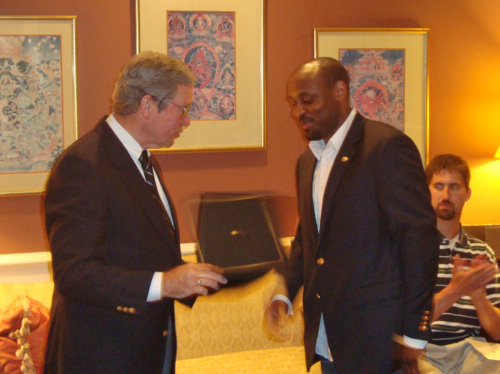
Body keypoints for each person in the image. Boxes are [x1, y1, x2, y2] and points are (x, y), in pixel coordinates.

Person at [42, 51, 227, 374]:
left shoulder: (144, 160)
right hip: (100, 355)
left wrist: (195, 275)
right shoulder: (83, 165)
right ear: (146, 106)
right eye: (182, 109)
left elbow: (142, 251)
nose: (187, 121)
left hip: (147, 348)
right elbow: (74, 273)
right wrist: (164, 284)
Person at [264, 57, 440, 374]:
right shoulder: (307, 162)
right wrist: (285, 293)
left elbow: (419, 243)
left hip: (380, 342)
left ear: (340, 91)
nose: (298, 112)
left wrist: (413, 334)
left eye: (307, 99)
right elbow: (308, 240)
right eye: (293, 102)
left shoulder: (386, 148)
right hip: (328, 340)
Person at [419, 154, 500, 373]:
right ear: (427, 191)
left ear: (467, 194)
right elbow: (404, 322)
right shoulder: (410, 249)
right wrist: (456, 290)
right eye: (438, 186)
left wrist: (477, 295)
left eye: (454, 187)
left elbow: (497, 331)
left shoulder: (483, 252)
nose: (445, 195)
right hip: (423, 350)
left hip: (470, 351)